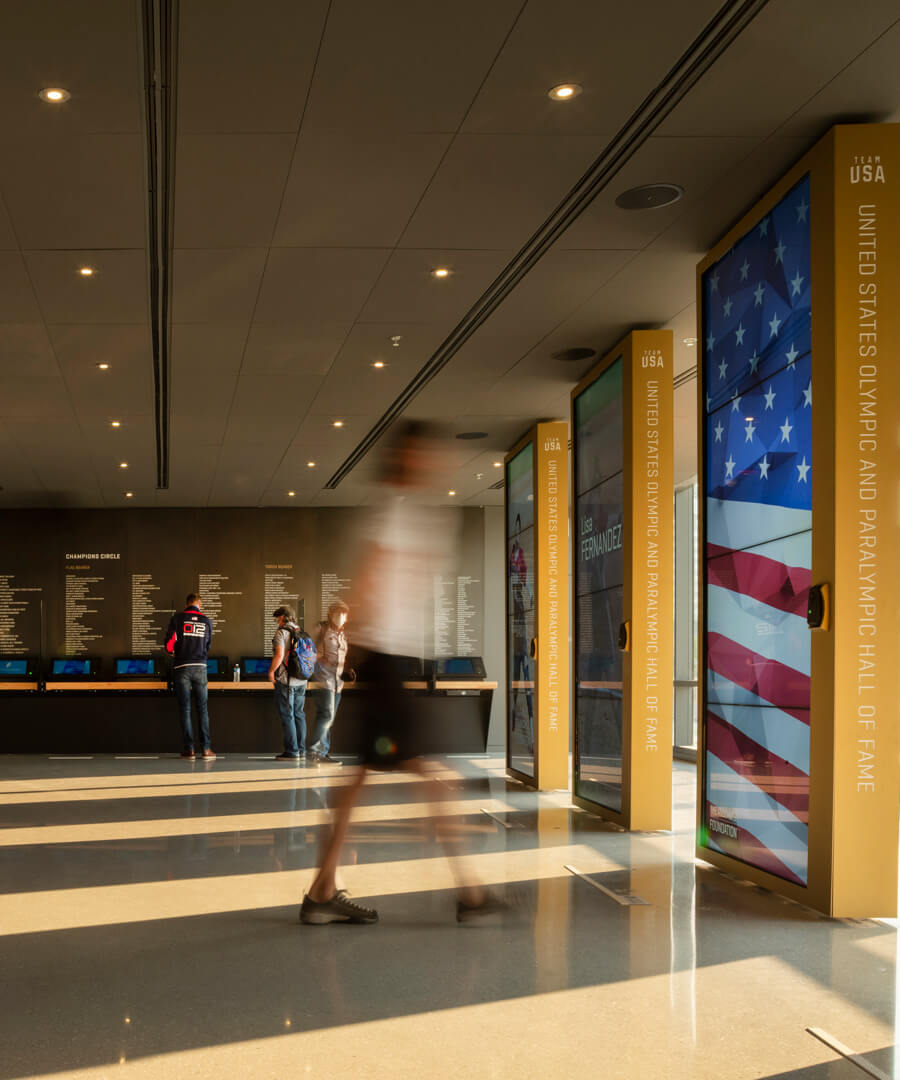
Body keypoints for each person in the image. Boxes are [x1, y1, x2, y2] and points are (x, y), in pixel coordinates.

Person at [299, 421, 506, 926]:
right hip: (386, 660)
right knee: (428, 774)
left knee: (365, 778)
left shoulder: (405, 509)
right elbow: (369, 578)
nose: (436, 464)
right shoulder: (397, 509)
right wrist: (364, 647)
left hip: (389, 661)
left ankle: (322, 890)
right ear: (408, 459)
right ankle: (470, 893)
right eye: (426, 455)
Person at [165, 593, 215, 761]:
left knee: (185, 709)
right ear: (199, 605)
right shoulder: (207, 621)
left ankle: (189, 750)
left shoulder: (177, 619)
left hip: (181, 667)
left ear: (186, 604)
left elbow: (169, 644)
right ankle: (206, 749)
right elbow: (208, 645)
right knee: (202, 709)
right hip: (200, 667)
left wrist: (174, 652)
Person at [309, 600, 352, 765]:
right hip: (323, 680)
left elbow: (343, 656)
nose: (341, 616)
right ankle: (315, 751)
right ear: (330, 614)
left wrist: (347, 669)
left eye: (343, 614)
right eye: (337, 613)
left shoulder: (343, 634)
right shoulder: (321, 629)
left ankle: (323, 752)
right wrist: (320, 660)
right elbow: (308, 651)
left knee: (328, 718)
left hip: (337, 683)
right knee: (326, 715)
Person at [268, 605, 308, 762]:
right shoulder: (301, 631)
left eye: (278, 618)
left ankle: (292, 752)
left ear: (283, 617)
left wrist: (271, 671)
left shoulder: (281, 632)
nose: (277, 621)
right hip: (302, 680)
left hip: (286, 681)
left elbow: (279, 655)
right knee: (299, 714)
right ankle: (301, 750)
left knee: (287, 715)